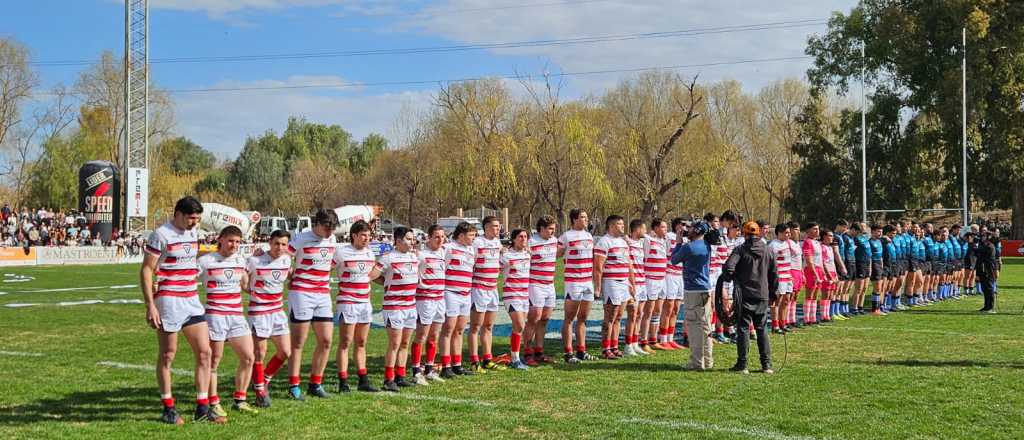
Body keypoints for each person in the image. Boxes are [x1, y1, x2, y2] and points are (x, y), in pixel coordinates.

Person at [140, 196, 220, 424]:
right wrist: (150, 305)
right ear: (178, 214)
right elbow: (147, 269)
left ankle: (202, 408)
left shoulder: (193, 232)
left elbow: (189, 258)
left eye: (197, 219)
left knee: (205, 352)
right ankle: (168, 408)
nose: (194, 223)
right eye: (190, 218)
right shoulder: (161, 235)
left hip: (191, 300)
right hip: (169, 301)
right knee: (168, 355)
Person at [199, 226, 257, 417]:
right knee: (214, 361)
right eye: (231, 241)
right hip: (215, 316)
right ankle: (213, 402)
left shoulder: (241, 260)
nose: (234, 245)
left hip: (237, 316)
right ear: (221, 240)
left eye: (238, 242)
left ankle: (240, 400)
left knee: (249, 358)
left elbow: (245, 284)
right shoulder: (206, 261)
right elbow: (188, 277)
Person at [285, 208, 339, 400]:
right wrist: (291, 274)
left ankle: (315, 383)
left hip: (322, 294)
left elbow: (331, 263)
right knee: (298, 342)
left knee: (326, 341)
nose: (330, 232)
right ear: (317, 224)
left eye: (333, 229)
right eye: (327, 228)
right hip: (301, 293)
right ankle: (294, 385)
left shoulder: (332, 240)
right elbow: (284, 257)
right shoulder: (301, 238)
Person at [245, 229, 292, 408]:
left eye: (283, 244)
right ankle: (259, 393)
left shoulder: (287, 260)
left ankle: (263, 379)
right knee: (260, 354)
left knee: (285, 352)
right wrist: (250, 290)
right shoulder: (255, 261)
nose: (279, 247)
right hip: (259, 312)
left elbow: (289, 275)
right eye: (276, 243)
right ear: (270, 243)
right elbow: (241, 277)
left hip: (278, 312)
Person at [722, 221, 777, 374]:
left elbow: (728, 267)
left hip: (744, 295)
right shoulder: (768, 250)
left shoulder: (740, 249)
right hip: (762, 295)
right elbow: (774, 274)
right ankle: (767, 365)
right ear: (758, 233)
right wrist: (773, 294)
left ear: (745, 234)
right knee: (761, 329)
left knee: (744, 329)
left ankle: (742, 364)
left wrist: (729, 276)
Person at [334, 220, 380, 393]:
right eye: (363, 235)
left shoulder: (369, 254)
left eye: (368, 236)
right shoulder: (341, 252)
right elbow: (326, 269)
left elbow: (373, 274)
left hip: (365, 303)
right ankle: (343, 381)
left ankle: (363, 380)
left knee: (361, 342)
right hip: (347, 302)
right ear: (354, 235)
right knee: (345, 342)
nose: (366, 239)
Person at [372, 227, 420, 392]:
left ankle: (400, 376)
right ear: (398, 241)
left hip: (410, 306)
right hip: (394, 307)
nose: (412, 242)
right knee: (395, 343)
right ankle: (388, 379)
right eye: (408, 239)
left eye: (413, 239)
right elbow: (373, 275)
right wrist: (386, 282)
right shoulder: (387, 258)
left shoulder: (414, 257)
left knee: (405, 343)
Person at [672, 221, 713, 371]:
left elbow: (674, 260)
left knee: (694, 327)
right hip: (706, 289)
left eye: (690, 229)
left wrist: (678, 243)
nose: (687, 231)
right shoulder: (707, 246)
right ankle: (708, 360)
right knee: (706, 325)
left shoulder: (688, 247)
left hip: (692, 290)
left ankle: (696, 362)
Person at [557, 209, 596, 363]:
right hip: (573, 281)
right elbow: (557, 254)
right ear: (574, 219)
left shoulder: (588, 236)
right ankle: (568, 353)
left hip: (588, 281)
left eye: (587, 217)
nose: (586, 219)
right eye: (582, 217)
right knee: (569, 318)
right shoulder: (566, 236)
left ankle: (581, 350)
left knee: (583, 318)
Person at [410, 225, 447, 384]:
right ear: (429, 238)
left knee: (434, 336)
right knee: (421, 336)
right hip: (425, 300)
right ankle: (416, 371)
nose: (440, 240)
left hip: (440, 299)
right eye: (437, 237)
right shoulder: (421, 255)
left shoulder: (443, 253)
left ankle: (429, 369)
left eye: (442, 237)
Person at [439, 222, 477, 378]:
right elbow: (441, 268)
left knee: (460, 329)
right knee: (448, 328)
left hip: (465, 293)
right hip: (451, 292)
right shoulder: (448, 248)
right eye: (471, 235)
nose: (473, 239)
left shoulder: (470, 249)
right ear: (461, 235)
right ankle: (445, 366)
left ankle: (457, 364)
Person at [594, 215, 633, 360]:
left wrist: (631, 283)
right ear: (611, 226)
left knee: (618, 317)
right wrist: (598, 287)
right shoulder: (604, 242)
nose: (623, 226)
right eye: (619, 224)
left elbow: (628, 264)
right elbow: (598, 267)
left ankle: (614, 346)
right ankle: (605, 348)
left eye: (623, 224)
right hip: (611, 283)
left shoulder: (622, 242)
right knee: (610, 316)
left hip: (623, 283)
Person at [469, 216, 505, 372]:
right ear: (486, 227)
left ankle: (487, 359)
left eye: (498, 226)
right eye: (494, 226)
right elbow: (471, 263)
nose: (497, 229)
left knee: (489, 326)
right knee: (476, 326)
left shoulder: (497, 243)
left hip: (493, 289)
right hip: (479, 289)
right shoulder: (477, 243)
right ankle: (474, 361)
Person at [524, 216, 558, 365]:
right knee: (534, 318)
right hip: (535, 284)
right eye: (550, 229)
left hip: (550, 284)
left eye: (553, 229)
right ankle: (527, 352)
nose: (552, 232)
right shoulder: (531, 242)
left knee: (545, 318)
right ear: (542, 229)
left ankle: (539, 351)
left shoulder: (554, 241)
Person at [501, 229, 532, 370]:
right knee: (519, 325)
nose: (523, 239)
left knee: (519, 328)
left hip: (525, 295)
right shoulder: (507, 256)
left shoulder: (527, 254)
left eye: (525, 237)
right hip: (511, 295)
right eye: (520, 237)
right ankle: (515, 359)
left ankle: (516, 357)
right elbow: (496, 269)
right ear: (513, 239)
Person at [641, 218, 669, 353]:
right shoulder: (647, 240)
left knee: (658, 310)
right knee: (648, 311)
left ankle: (654, 339)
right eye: (663, 227)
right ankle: (643, 340)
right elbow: (636, 236)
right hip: (651, 279)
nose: (666, 230)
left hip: (662, 279)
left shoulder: (664, 241)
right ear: (656, 228)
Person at [659, 218, 687, 349]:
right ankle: (662, 338)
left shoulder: (686, 239)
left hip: (680, 275)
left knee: (676, 308)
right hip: (670, 274)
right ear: (676, 226)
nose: (685, 227)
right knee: (668, 307)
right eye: (683, 224)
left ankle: (671, 338)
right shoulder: (669, 237)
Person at [623, 219, 649, 357]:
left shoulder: (641, 243)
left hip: (642, 282)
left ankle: (635, 343)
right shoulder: (627, 242)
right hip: (633, 283)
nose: (645, 231)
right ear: (637, 229)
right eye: (643, 229)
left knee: (639, 314)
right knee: (632, 314)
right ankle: (627, 345)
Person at [768, 224, 793, 333]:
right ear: (779, 233)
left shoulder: (787, 243)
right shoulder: (773, 245)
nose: (789, 234)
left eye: (789, 232)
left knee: (786, 300)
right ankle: (775, 325)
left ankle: (783, 323)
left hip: (788, 275)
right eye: (786, 232)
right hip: (779, 276)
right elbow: (769, 262)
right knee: (777, 301)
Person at [975, 231, 998, 313]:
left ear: (988, 237)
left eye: (984, 236)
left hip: (988, 269)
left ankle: (990, 307)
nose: (982, 237)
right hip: (983, 269)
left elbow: (978, 252)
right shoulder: (984, 245)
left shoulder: (989, 246)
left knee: (989, 288)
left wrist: (973, 245)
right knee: (984, 288)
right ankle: (986, 306)